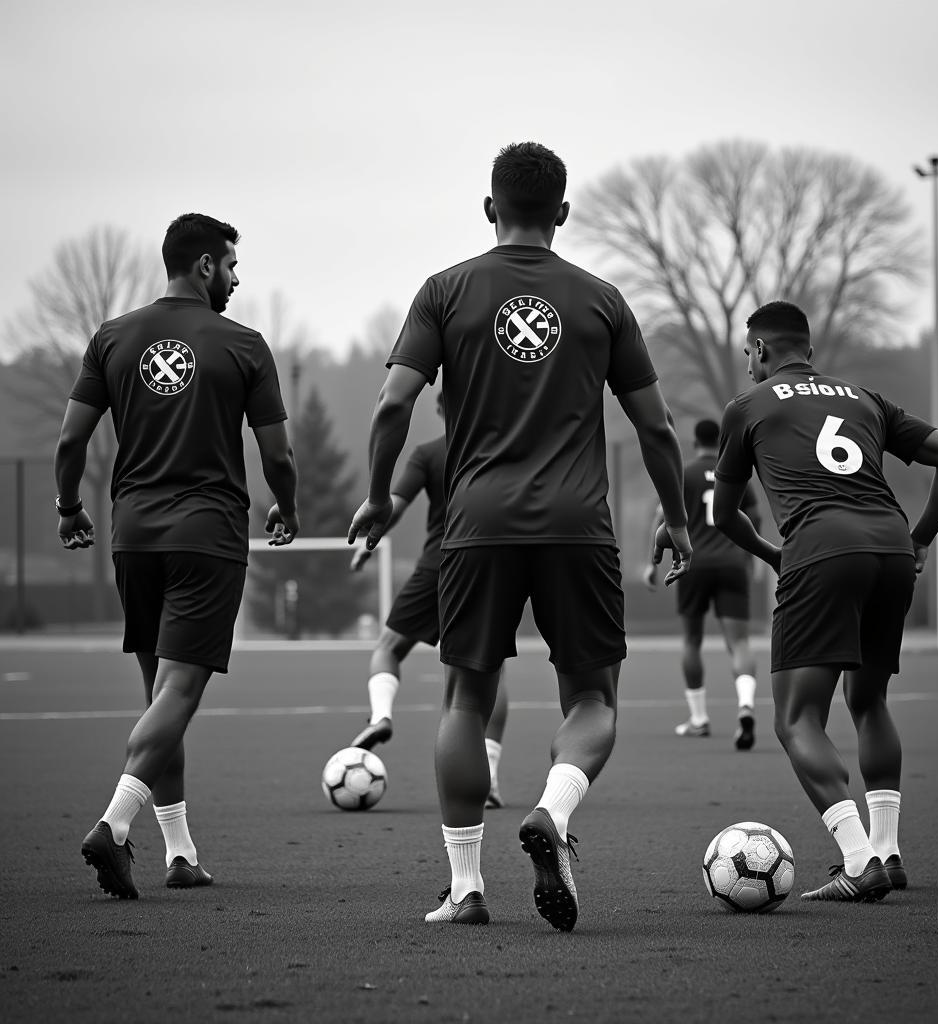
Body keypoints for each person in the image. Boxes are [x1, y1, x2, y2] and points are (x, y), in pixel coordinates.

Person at [349, 141, 691, 930]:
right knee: (594, 699)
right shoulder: (603, 299)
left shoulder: (444, 291)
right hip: (578, 526)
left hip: (474, 526)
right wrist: (677, 519)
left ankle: (466, 889)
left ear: (489, 208)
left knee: (465, 699)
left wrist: (376, 497)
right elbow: (657, 429)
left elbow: (391, 406)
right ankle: (554, 810)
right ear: (563, 214)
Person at [54, 213, 299, 900]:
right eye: (230, 264)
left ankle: (181, 853)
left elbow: (71, 442)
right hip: (207, 536)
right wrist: (287, 504)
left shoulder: (112, 337)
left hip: (133, 535)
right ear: (202, 266)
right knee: (181, 693)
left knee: (158, 696)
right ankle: (115, 824)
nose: (236, 277)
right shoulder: (244, 345)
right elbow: (277, 452)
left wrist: (69, 507)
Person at [712, 300, 938, 902]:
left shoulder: (746, 408)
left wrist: (776, 555)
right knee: (869, 699)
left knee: (797, 717)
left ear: (760, 350)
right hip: (889, 547)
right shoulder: (865, 399)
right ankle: (888, 851)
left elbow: (724, 515)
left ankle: (859, 861)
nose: (746, 363)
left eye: (746, 352)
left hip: (821, 551)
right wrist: (921, 538)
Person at [349, 391, 510, 808]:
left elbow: (393, 505)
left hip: (437, 564)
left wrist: (371, 541)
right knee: (492, 671)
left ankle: (381, 714)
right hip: (488, 565)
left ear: (440, 409)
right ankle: (489, 775)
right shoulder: (500, 450)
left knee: (388, 648)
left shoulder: (428, 453)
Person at [644, 418, 761, 748]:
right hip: (733, 563)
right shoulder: (734, 472)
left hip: (692, 563)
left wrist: (651, 562)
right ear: (721, 440)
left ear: (694, 441)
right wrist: (751, 558)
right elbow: (755, 517)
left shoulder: (684, 473)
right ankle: (746, 706)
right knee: (738, 643)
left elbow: (662, 516)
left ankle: (699, 718)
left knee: (692, 641)